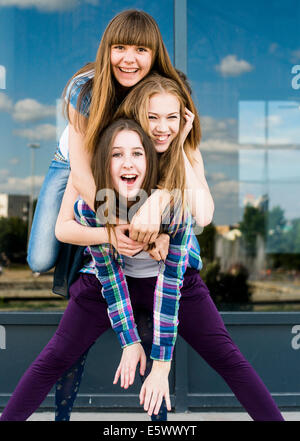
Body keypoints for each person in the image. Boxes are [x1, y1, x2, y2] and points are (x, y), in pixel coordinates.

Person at [51, 74, 284, 422]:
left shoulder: (182, 152)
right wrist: (134, 234)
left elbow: (202, 215)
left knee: (195, 355)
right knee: (66, 350)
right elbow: (89, 210)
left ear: (185, 118)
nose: (162, 127)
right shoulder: (123, 148)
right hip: (112, 266)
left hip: (164, 272)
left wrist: (180, 149)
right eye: (153, 117)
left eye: (172, 117)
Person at [0, 118, 197, 422]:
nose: (127, 161)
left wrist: (163, 234)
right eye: (117, 154)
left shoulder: (154, 164)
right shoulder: (89, 179)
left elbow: (189, 210)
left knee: (153, 330)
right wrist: (112, 234)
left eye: (134, 154)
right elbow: (74, 232)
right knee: (63, 340)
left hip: (149, 267)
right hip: (102, 261)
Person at [26, 9, 201, 274]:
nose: (129, 59)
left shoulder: (160, 89)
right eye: (120, 47)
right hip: (76, 160)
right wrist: (120, 226)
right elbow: (82, 173)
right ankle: (86, 245)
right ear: (107, 50)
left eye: (141, 50)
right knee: (40, 259)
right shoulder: (84, 88)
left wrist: (157, 223)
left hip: (129, 161)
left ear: (154, 56)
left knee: (189, 251)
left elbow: (175, 156)